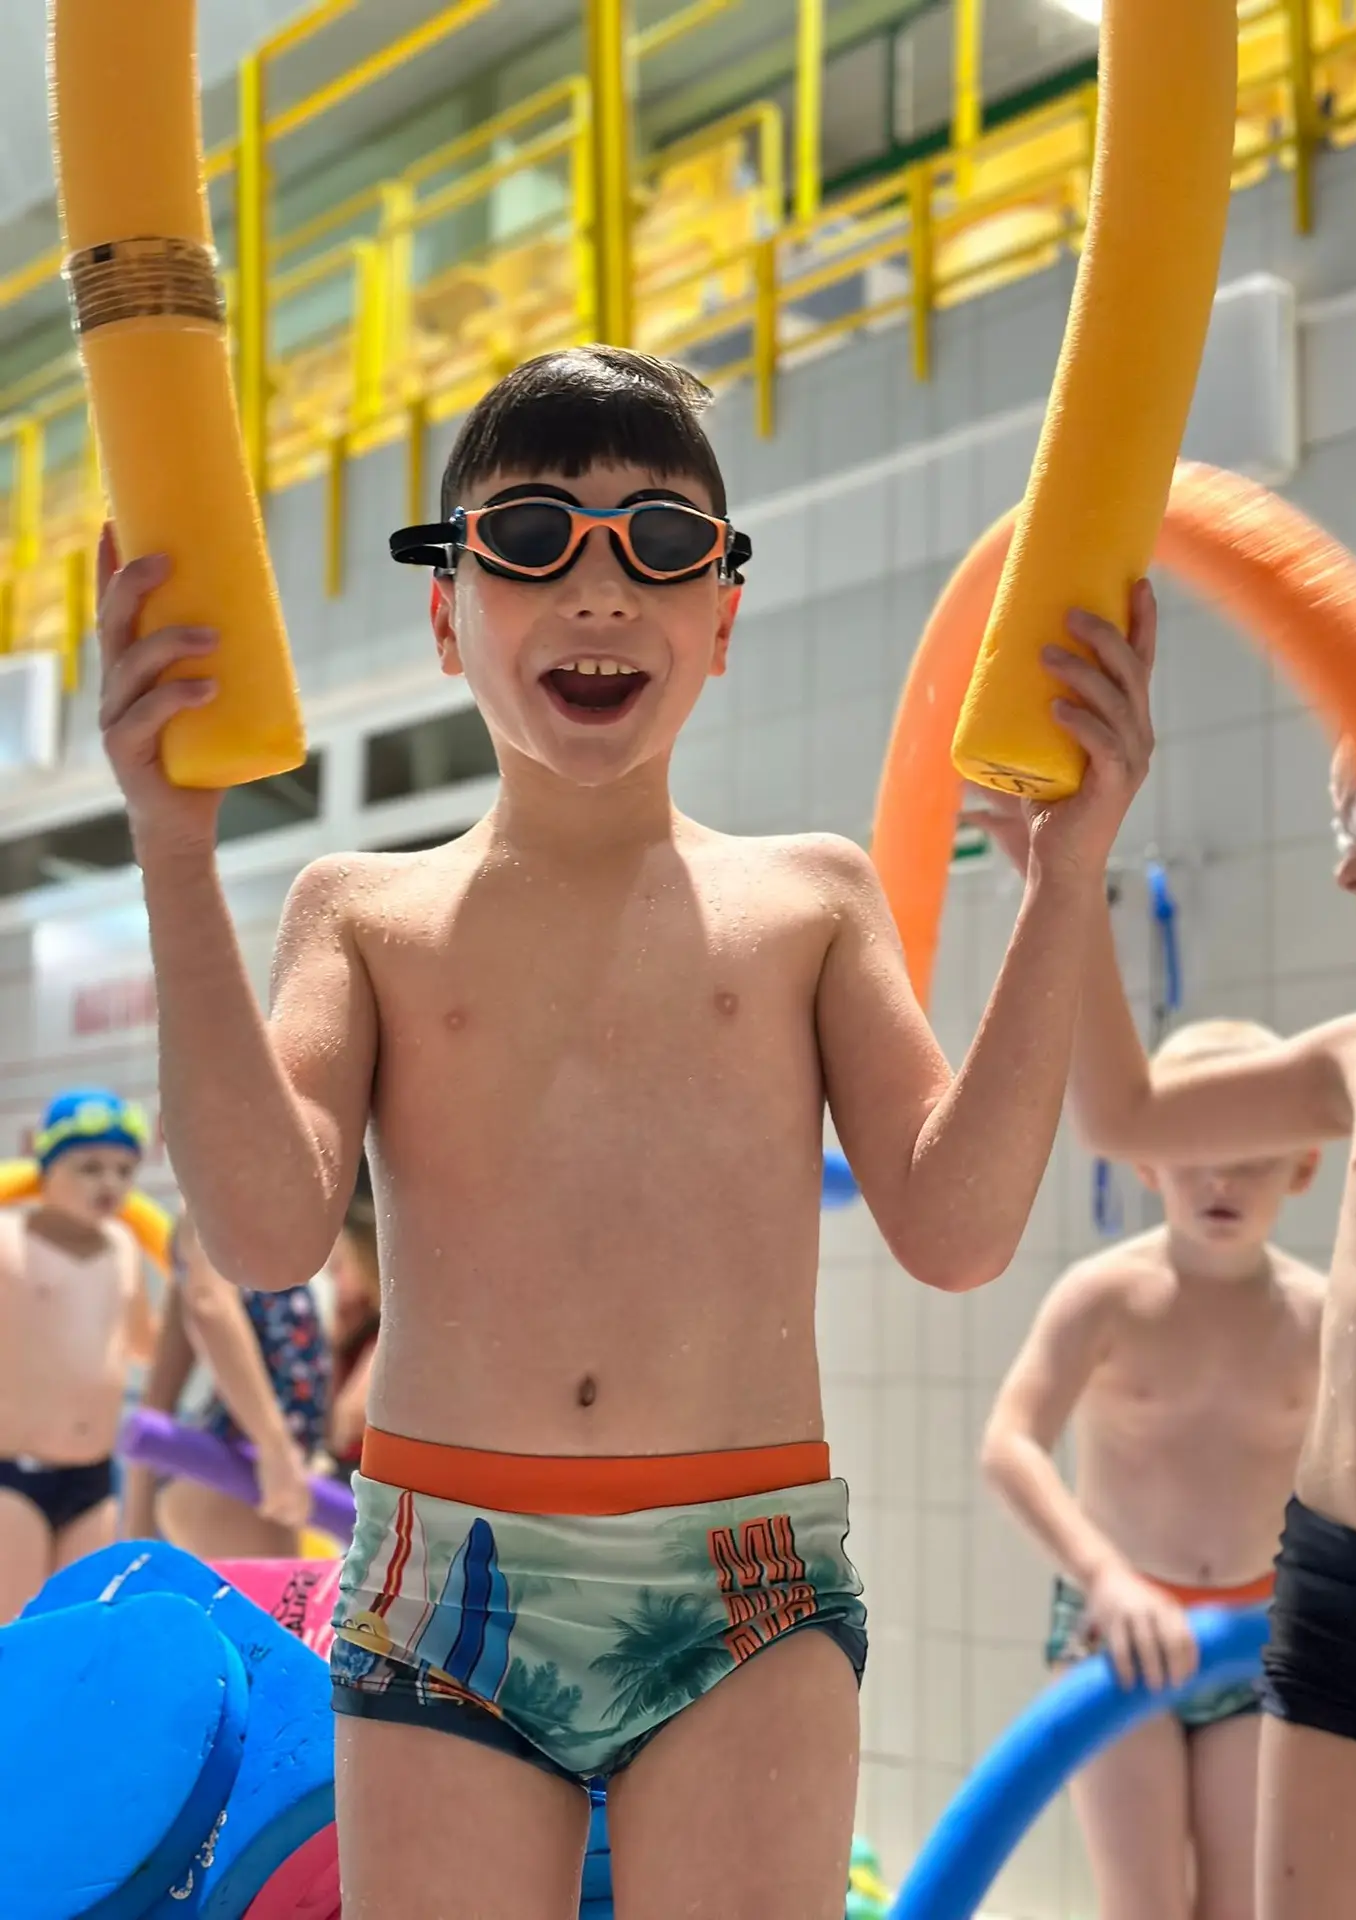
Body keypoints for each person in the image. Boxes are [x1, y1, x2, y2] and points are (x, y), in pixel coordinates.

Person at [97, 344, 1155, 1920]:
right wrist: (175, 854)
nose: (600, 589)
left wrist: (1065, 882)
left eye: (662, 542)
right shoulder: (365, 913)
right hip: (446, 1571)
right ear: (447, 610)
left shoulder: (809, 901)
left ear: (722, 616)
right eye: (530, 538)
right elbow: (264, 1232)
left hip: (746, 1575)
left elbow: (958, 1228)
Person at [973, 647, 1356, 1920]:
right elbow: (1124, 1113)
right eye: (1338, 830)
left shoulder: (1297, 1299)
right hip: (1345, 1606)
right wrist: (1064, 873)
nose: (1345, 868)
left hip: (1263, 1612)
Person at [982, 1015, 1326, 1920]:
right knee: (1144, 1906)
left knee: (1242, 1907)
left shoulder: (1319, 1318)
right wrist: (1104, 1577)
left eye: (1251, 1156)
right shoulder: (1107, 1296)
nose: (1220, 1180)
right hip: (1116, 1626)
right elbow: (1010, 1443)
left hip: (1254, 1634)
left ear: (1302, 1166)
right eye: (1194, 1152)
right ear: (1145, 1159)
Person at [0, 1090, 156, 1618]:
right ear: (45, 1166)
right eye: (89, 1167)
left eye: (124, 1170)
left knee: (83, 1622)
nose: (109, 1183)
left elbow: (142, 1345)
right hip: (14, 1474)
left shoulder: (124, 1247)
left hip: (93, 1477)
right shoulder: (8, 1239)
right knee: (16, 1628)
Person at [155, 1211, 326, 1560]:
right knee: (261, 1595)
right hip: (235, 1463)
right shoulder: (212, 1214)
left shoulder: (274, 1234)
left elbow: (162, 1385)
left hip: (261, 1465)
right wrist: (275, 1447)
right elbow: (209, 1305)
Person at [326, 1196, 381, 1482]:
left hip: (358, 1479)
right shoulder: (350, 1337)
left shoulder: (384, 1336)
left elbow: (344, 1425)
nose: (329, 1280)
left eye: (337, 1268)